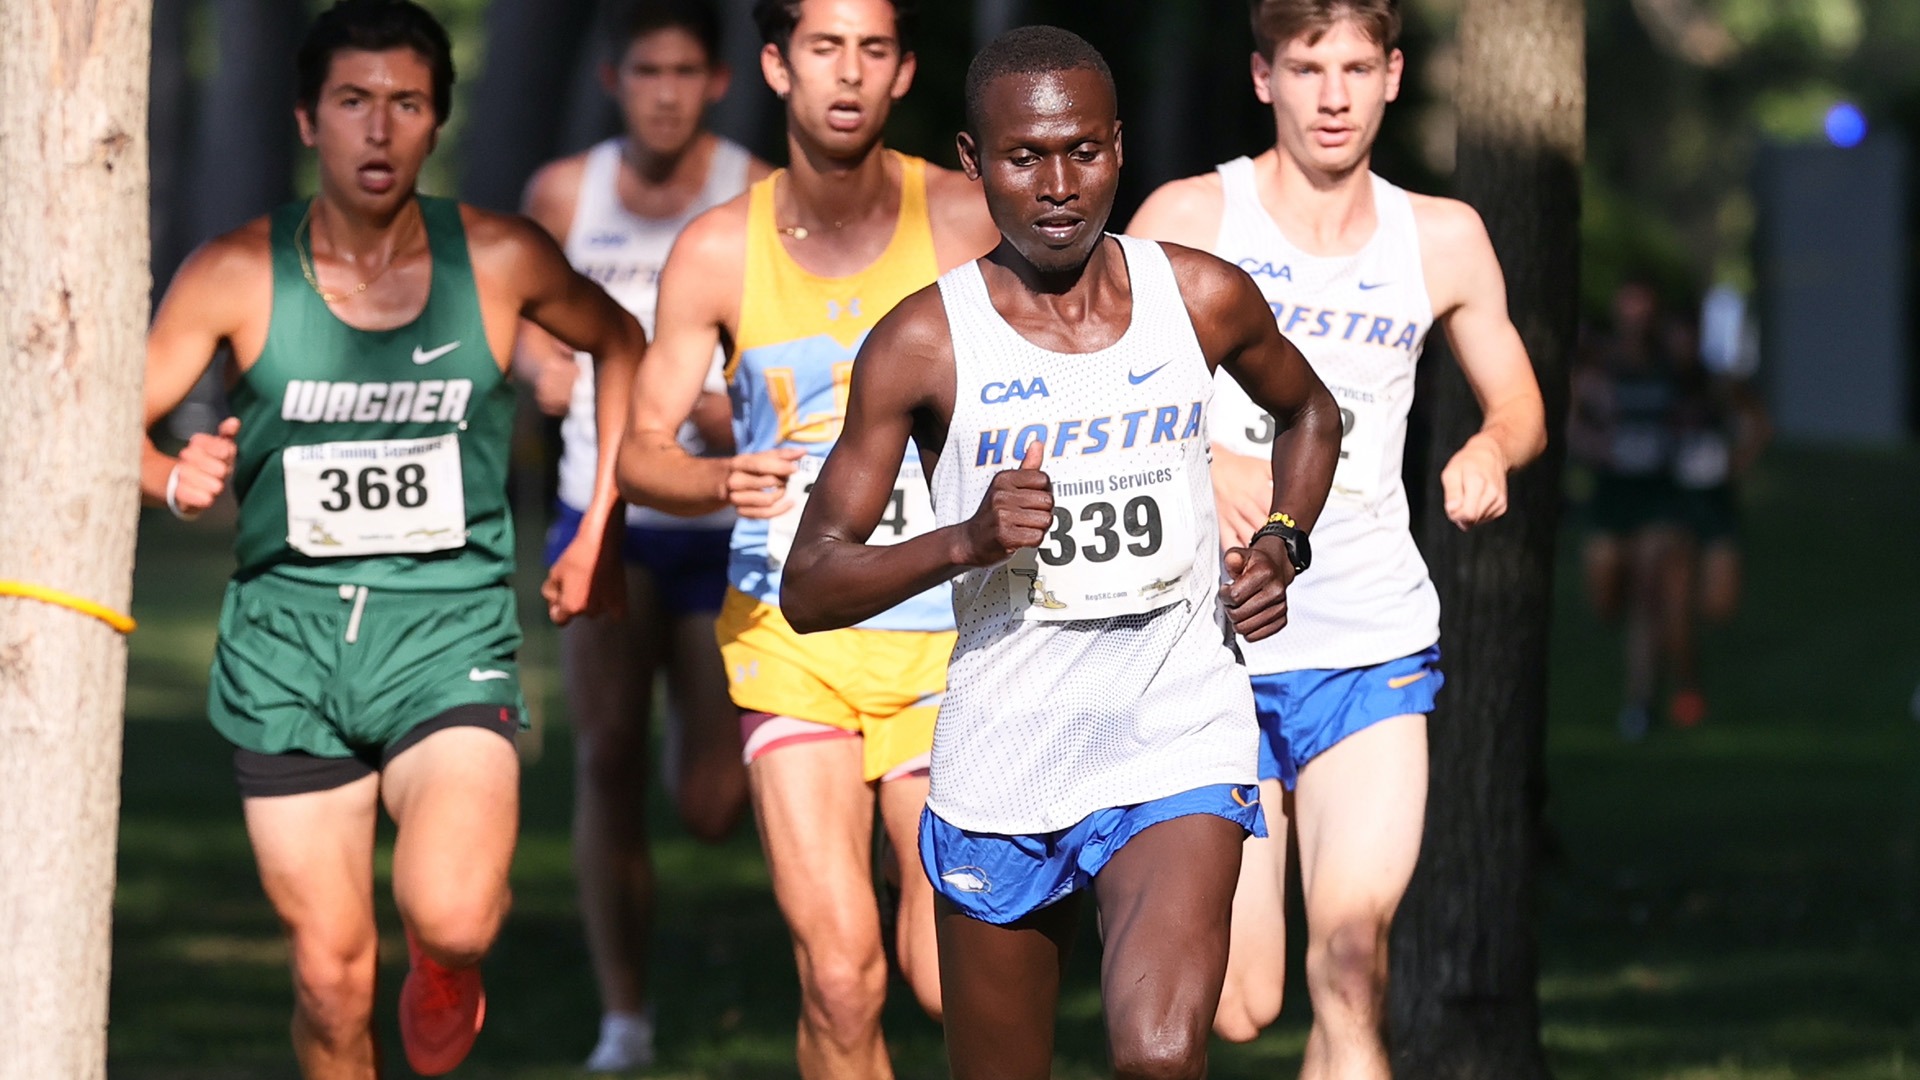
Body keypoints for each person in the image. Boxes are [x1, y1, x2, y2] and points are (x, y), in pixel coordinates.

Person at [780, 26, 1343, 1079]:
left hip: (1174, 730)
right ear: (970, 159)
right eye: (1023, 156)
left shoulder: (1201, 297)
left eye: (1083, 150)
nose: (1056, 184)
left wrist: (1283, 539)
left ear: (1120, 148)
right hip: (1007, 749)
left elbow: (1311, 413)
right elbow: (810, 584)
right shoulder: (922, 344)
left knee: (1162, 1057)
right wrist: (966, 538)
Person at [137, 2, 644, 1075]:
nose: (379, 129)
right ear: (307, 118)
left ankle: (449, 964)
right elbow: (104, 428)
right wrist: (169, 476)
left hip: (444, 638)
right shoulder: (233, 271)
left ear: (435, 121)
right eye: (353, 102)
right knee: (329, 979)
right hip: (287, 652)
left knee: (455, 917)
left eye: (406, 104)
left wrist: (599, 523)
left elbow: (621, 341)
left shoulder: (499, 259)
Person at [1127, 0, 1548, 1071]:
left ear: (1394, 75)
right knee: (1238, 1001)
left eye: (1357, 67)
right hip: (1210, 648)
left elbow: (1520, 402)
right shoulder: (1194, 215)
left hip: (1368, 637)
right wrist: (1201, 458)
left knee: (1353, 964)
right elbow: (1092, 381)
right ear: (1264, 77)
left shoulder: (1441, 237)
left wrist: (1492, 450)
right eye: (1309, 68)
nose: (1334, 95)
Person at [615, 0, 998, 1073]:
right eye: (824, 48)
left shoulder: (968, 218)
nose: (848, 74)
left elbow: (1082, 346)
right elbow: (642, 449)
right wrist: (710, 477)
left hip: (953, 642)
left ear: (905, 70)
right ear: (778, 66)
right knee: (839, 976)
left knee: (949, 975)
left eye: (872, 50)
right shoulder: (716, 249)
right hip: (795, 643)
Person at [514, 0, 772, 1069]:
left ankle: (705, 739)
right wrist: (545, 372)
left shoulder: (751, 188)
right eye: (646, 72)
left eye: (683, 72)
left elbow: (781, 345)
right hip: (602, 512)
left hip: (718, 521)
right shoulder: (565, 192)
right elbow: (529, 326)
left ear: (714, 82)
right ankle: (624, 1016)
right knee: (605, 758)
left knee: (712, 803)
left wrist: (731, 405)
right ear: (616, 78)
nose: (664, 91)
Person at [1569, 280, 1686, 739]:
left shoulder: (1670, 364)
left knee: (1648, 594)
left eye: (1644, 308)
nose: (1636, 317)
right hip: (1611, 491)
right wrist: (1596, 445)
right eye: (1628, 308)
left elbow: (1694, 410)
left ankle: (1639, 702)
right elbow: (1573, 419)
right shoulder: (1600, 364)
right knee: (1606, 594)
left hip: (1657, 493)